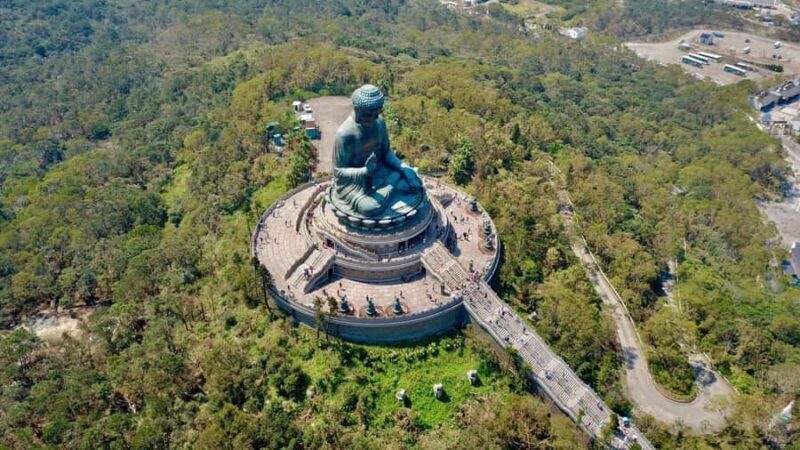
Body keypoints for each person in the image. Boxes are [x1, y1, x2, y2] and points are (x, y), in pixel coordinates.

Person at [328, 84, 423, 218]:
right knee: (369, 208)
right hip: (356, 183)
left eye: (377, 113)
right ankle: (392, 185)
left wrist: (403, 169)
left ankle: (390, 185)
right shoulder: (345, 134)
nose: (374, 118)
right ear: (358, 111)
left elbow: (387, 153)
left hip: (381, 171)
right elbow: (339, 171)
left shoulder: (380, 123)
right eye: (369, 114)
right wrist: (365, 171)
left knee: (415, 182)